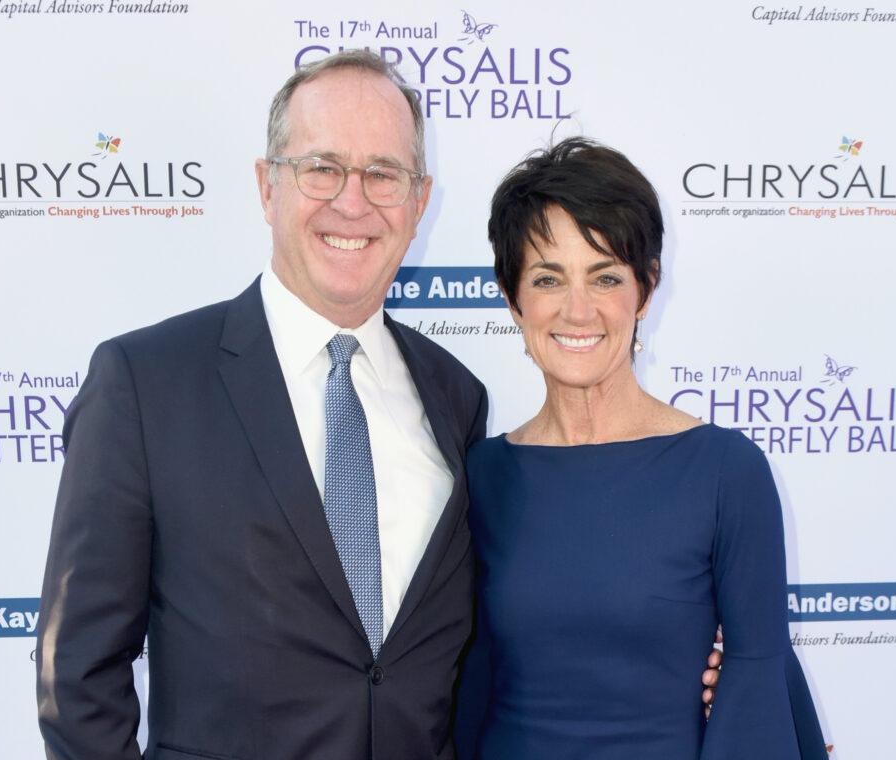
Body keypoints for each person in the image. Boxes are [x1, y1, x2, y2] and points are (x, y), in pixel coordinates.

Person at [36, 51, 719, 760]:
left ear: (419, 202)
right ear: (267, 186)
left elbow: (506, 626)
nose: (352, 202)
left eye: (383, 174)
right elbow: (77, 676)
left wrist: (697, 650)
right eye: (322, 167)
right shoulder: (146, 384)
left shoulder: (454, 395)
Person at [455, 138, 828, 759]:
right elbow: (459, 686)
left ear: (646, 289)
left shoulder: (725, 472)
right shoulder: (482, 476)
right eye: (548, 279)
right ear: (512, 298)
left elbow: (758, 691)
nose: (578, 311)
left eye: (605, 277)